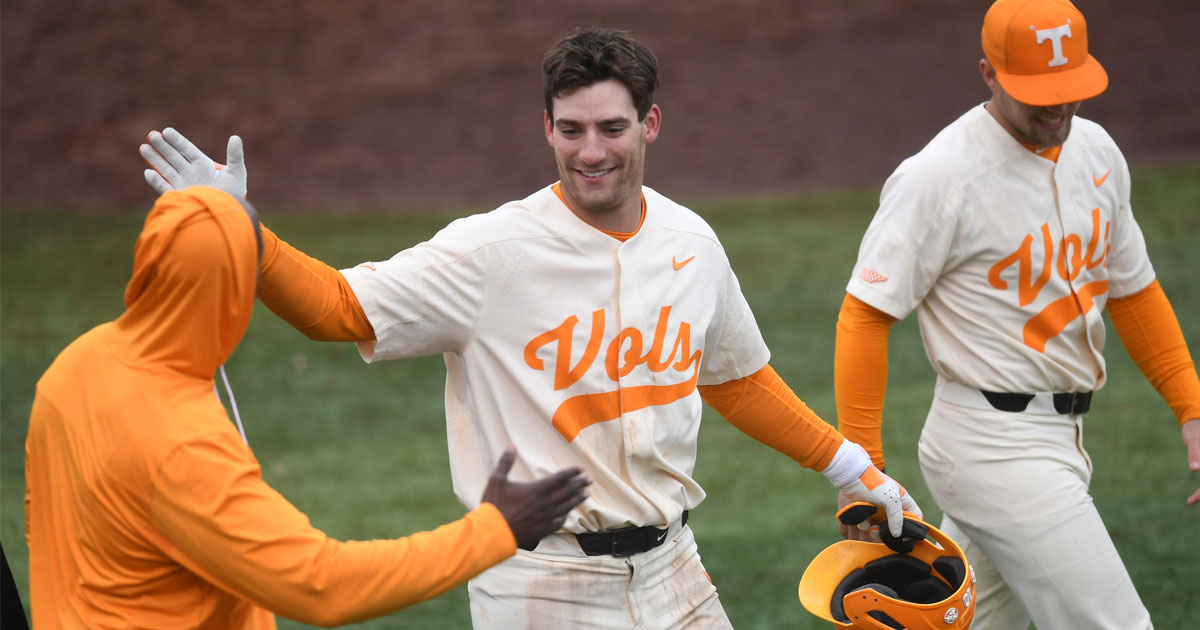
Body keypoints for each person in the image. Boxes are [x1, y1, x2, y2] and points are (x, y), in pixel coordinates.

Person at [138, 27, 922, 629]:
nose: (591, 152)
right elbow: (340, 310)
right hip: (542, 584)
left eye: (611, 128)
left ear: (651, 125)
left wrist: (851, 468)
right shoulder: (491, 253)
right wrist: (246, 232)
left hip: (675, 568)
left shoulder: (691, 243)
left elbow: (735, 377)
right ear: (545, 128)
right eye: (571, 129)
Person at [24, 185, 590, 629]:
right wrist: (495, 529)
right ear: (236, 287)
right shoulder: (181, 443)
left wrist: (226, 213)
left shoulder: (74, 368)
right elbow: (324, 585)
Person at [832, 0, 1200, 628]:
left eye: (1070, 88)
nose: (1059, 107)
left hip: (1058, 440)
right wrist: (863, 468)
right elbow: (864, 315)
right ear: (989, 73)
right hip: (990, 447)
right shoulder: (940, 176)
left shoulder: (1098, 153)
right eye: (1039, 92)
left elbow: (1132, 291)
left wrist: (1192, 407)